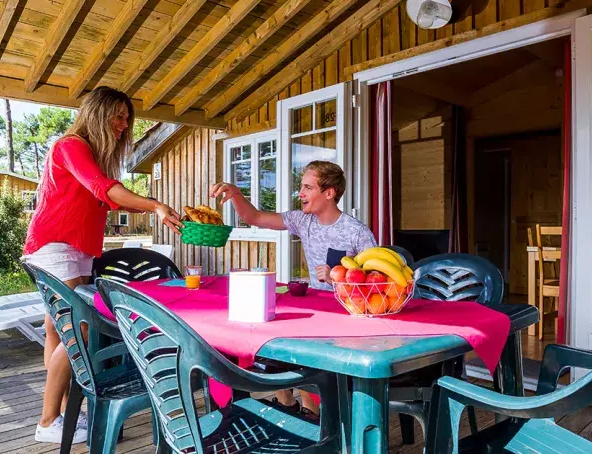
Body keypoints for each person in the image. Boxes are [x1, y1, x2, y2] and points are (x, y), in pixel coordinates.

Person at [21, 87, 183, 444]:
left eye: (127, 119)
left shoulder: (88, 152)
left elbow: (107, 201)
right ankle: (48, 421)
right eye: (118, 116)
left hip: (73, 248)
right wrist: (154, 206)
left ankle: (65, 413)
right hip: (56, 246)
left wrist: (150, 203)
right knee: (76, 329)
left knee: (56, 330)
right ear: (97, 112)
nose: (124, 126)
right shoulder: (71, 145)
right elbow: (103, 189)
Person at [211, 160, 376, 417]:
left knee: (304, 350)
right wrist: (236, 194)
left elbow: (374, 285)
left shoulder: (356, 232)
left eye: (308, 188)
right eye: (302, 187)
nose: (300, 193)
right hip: (314, 309)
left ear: (329, 192)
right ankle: (287, 402)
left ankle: (312, 414)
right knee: (268, 330)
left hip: (347, 317)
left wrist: (339, 280)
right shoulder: (303, 220)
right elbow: (252, 217)